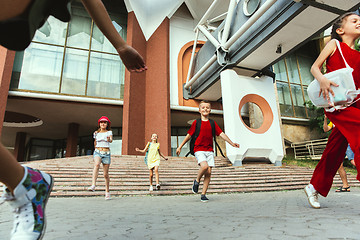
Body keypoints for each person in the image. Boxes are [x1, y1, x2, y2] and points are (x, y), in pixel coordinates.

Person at [0, 1, 147, 239]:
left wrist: (121, 45)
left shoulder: (105, 132)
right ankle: (27, 182)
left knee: (104, 170)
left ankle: (27, 182)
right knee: (98, 168)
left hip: (104, 151)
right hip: (99, 153)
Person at [304, 12, 360, 209]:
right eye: (354, 21)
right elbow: (314, 67)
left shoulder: (359, 56)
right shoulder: (333, 45)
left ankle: (313, 186)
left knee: (335, 149)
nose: (359, 23)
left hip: (354, 104)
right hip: (336, 106)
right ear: (340, 29)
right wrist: (323, 79)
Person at [176, 100, 239, 202]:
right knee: (204, 166)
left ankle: (203, 194)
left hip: (209, 150)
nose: (205, 109)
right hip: (199, 149)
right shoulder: (197, 122)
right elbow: (189, 135)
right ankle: (196, 181)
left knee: (209, 172)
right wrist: (180, 146)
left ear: (210, 110)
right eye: (203, 107)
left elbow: (222, 134)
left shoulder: (212, 123)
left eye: (207, 107)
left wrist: (232, 143)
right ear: (199, 110)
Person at [322, 115, 354, 192]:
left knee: (353, 161)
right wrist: (325, 119)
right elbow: (326, 129)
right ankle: (345, 185)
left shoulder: (344, 117)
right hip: (340, 145)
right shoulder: (333, 121)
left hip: (348, 143)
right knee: (339, 164)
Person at [88, 116, 113, 200]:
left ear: (107, 124)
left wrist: (109, 139)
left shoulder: (109, 132)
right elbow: (95, 142)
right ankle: (93, 185)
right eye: (101, 122)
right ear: (99, 124)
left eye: (105, 122)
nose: (103, 124)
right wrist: (95, 150)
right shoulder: (96, 133)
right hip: (98, 151)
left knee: (105, 174)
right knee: (97, 164)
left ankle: (107, 191)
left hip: (106, 153)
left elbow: (110, 140)